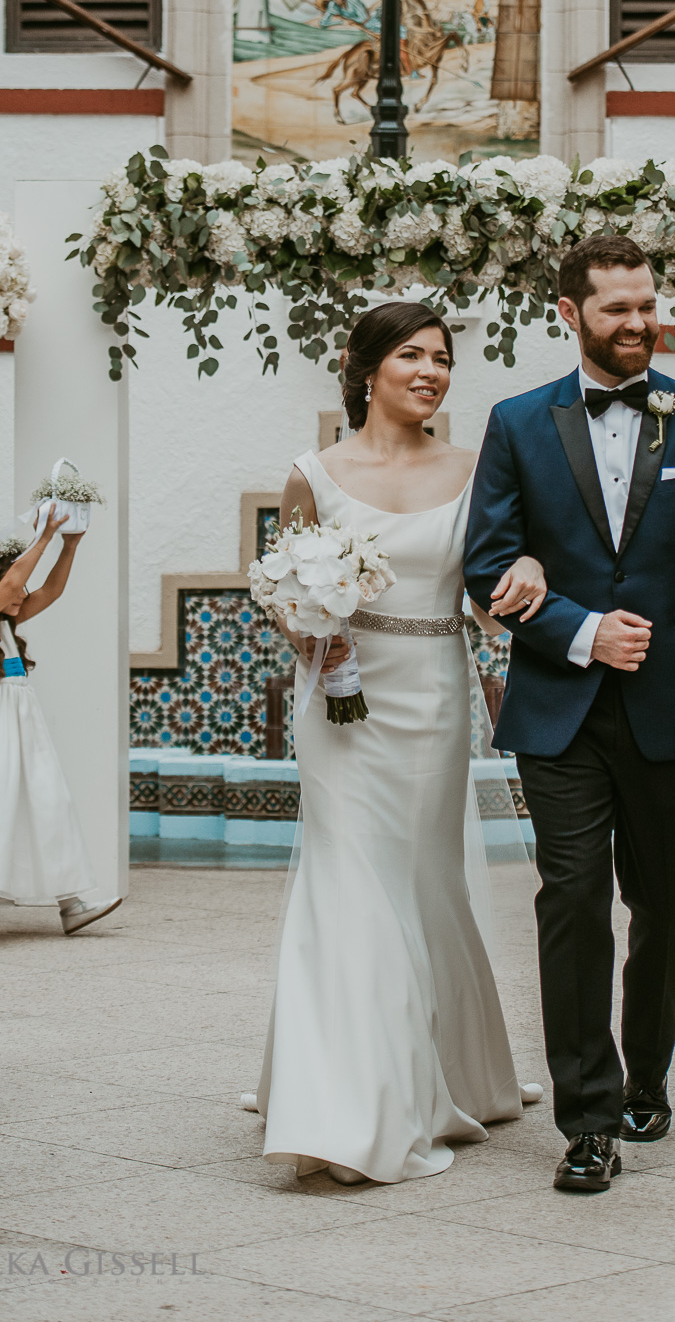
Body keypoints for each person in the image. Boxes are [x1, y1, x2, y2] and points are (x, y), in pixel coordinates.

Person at [464, 234, 675, 1193]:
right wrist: (582, 631)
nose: (638, 324)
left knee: (665, 902)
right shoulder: (515, 423)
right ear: (569, 314)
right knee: (573, 902)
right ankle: (586, 1119)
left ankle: (650, 1075)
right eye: (616, 309)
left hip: (674, 715)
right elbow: (485, 563)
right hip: (561, 711)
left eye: (647, 306)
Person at [254, 301, 549, 1185]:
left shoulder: (475, 467)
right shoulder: (313, 473)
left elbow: (495, 577)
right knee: (347, 878)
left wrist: (530, 568)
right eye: (411, 356)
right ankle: (346, 1105)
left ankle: (450, 1072)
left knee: (424, 881)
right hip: (342, 703)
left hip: (434, 692)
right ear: (365, 367)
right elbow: (281, 587)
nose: (430, 371)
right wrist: (310, 626)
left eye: (442, 358)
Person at [0, 519, 119, 934]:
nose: (22, 592)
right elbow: (11, 584)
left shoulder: (4, 627)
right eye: (13, 585)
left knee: (48, 802)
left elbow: (50, 591)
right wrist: (45, 534)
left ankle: (71, 903)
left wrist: (69, 546)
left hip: (24, 730)